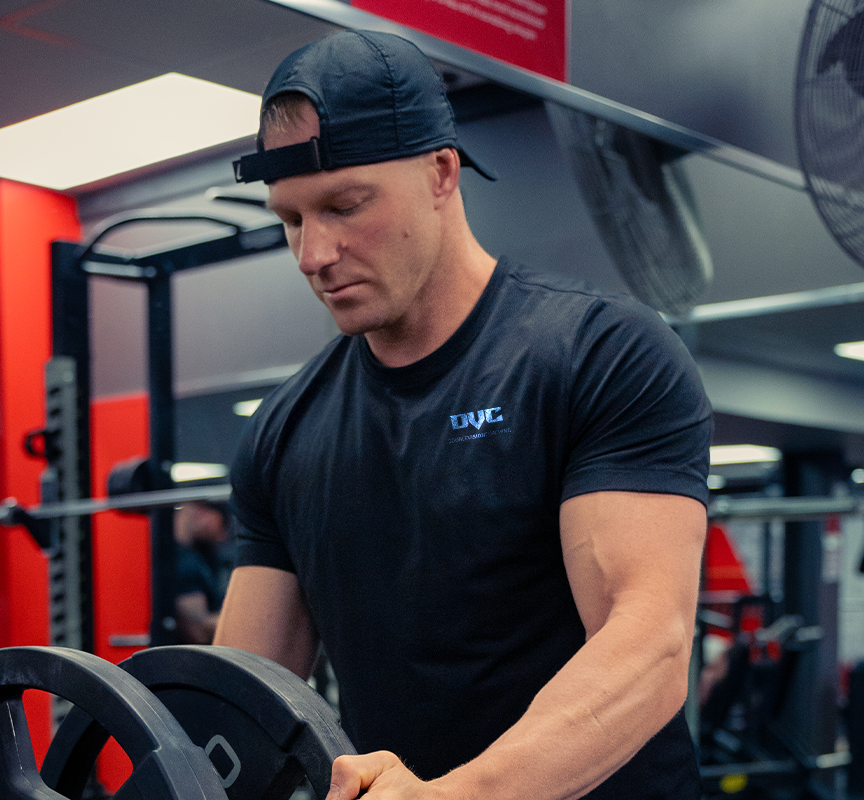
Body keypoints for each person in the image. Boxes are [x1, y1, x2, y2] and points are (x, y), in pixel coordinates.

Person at [215, 30, 712, 800]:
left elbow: (647, 647)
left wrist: (458, 796)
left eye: (345, 206)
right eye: (291, 219)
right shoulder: (284, 430)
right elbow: (243, 700)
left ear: (441, 172)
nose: (313, 253)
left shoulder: (601, 353)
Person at [173, 500, 231, 644]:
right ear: (202, 512)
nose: (222, 536)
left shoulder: (200, 555)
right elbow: (199, 630)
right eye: (223, 524)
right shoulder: (181, 562)